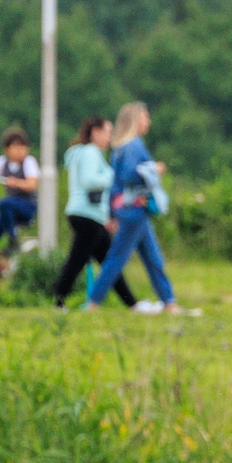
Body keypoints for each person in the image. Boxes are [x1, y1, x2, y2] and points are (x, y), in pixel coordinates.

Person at [84, 101, 186, 316]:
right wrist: (154, 169)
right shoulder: (133, 146)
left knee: (153, 258)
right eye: (145, 117)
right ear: (135, 120)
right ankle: (93, 303)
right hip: (134, 211)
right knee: (116, 259)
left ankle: (169, 302)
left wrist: (112, 214)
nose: (148, 121)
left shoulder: (120, 147)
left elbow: (114, 184)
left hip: (130, 211)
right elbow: (130, 175)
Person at [54, 116, 141, 310]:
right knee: (78, 261)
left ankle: (131, 303)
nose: (109, 138)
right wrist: (113, 176)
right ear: (95, 132)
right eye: (107, 132)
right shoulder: (90, 152)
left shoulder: (79, 153)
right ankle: (58, 300)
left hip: (87, 215)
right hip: (87, 215)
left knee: (110, 261)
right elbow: (89, 181)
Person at [0, 128, 42, 259]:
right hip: (9, 212)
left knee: (3, 203)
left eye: (22, 146)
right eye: (15, 146)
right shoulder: (2, 162)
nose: (20, 150)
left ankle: (13, 240)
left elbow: (32, 184)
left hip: (27, 207)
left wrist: (16, 183)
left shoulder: (29, 162)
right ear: (7, 149)